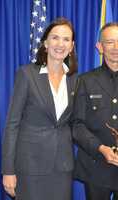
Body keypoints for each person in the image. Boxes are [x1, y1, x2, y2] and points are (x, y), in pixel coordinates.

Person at [1, 18, 77, 200]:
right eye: (55, 38)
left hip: (63, 167)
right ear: (45, 43)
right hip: (30, 166)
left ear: (72, 46)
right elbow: (12, 124)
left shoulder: (75, 79)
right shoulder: (26, 74)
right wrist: (8, 170)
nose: (60, 44)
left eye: (66, 39)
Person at [73, 22, 118, 200]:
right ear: (99, 47)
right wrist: (100, 149)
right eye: (109, 42)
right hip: (96, 167)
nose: (116, 47)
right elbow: (77, 125)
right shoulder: (85, 81)